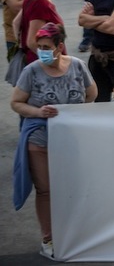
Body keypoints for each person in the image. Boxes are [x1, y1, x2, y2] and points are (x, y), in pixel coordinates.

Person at [11, 23, 97, 260]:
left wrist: (75, 112)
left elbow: (92, 94)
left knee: (72, 187)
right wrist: (38, 113)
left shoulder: (78, 66)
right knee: (46, 190)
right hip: (40, 140)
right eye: (39, 47)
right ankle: (48, 237)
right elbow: (16, 102)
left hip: (71, 140)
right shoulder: (31, 71)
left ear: (60, 47)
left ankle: (72, 233)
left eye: (46, 47)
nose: (42, 52)